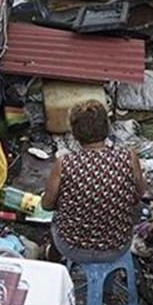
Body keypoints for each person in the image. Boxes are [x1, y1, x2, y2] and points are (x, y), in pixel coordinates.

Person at [42, 100, 145, 264]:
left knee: (56, 220)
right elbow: (139, 195)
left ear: (75, 134)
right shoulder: (129, 157)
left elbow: (47, 205)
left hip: (72, 247)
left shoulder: (65, 163)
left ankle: (53, 260)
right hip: (117, 246)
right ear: (107, 128)